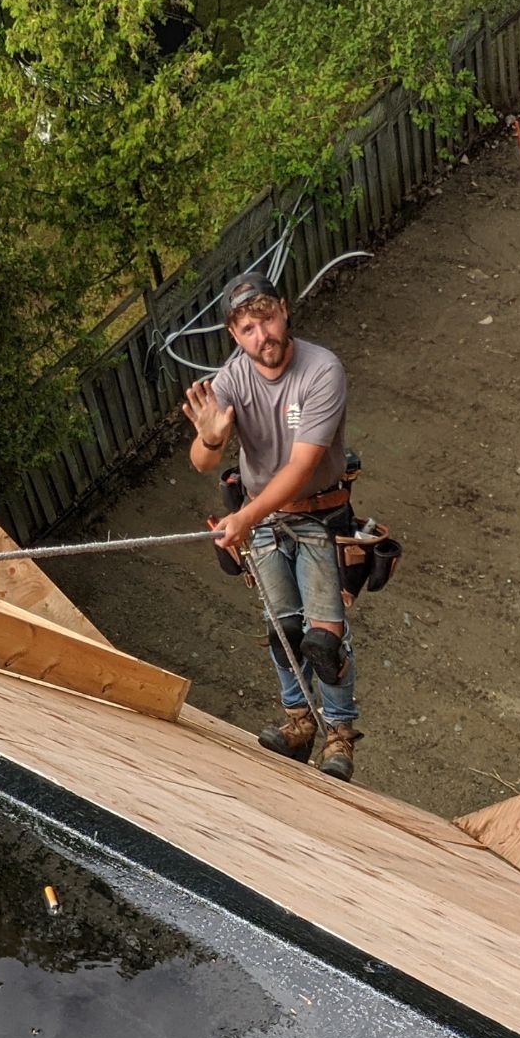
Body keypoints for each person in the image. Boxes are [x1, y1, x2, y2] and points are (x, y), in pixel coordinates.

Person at [182, 274, 365, 782]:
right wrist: (212, 440)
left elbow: (303, 467)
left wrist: (244, 517)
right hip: (265, 522)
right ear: (235, 337)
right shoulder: (233, 379)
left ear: (284, 312)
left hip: (319, 517)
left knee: (323, 640)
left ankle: (341, 734)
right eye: (247, 328)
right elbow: (200, 460)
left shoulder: (321, 370)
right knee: (282, 628)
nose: (261, 334)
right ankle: (299, 722)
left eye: (266, 319)